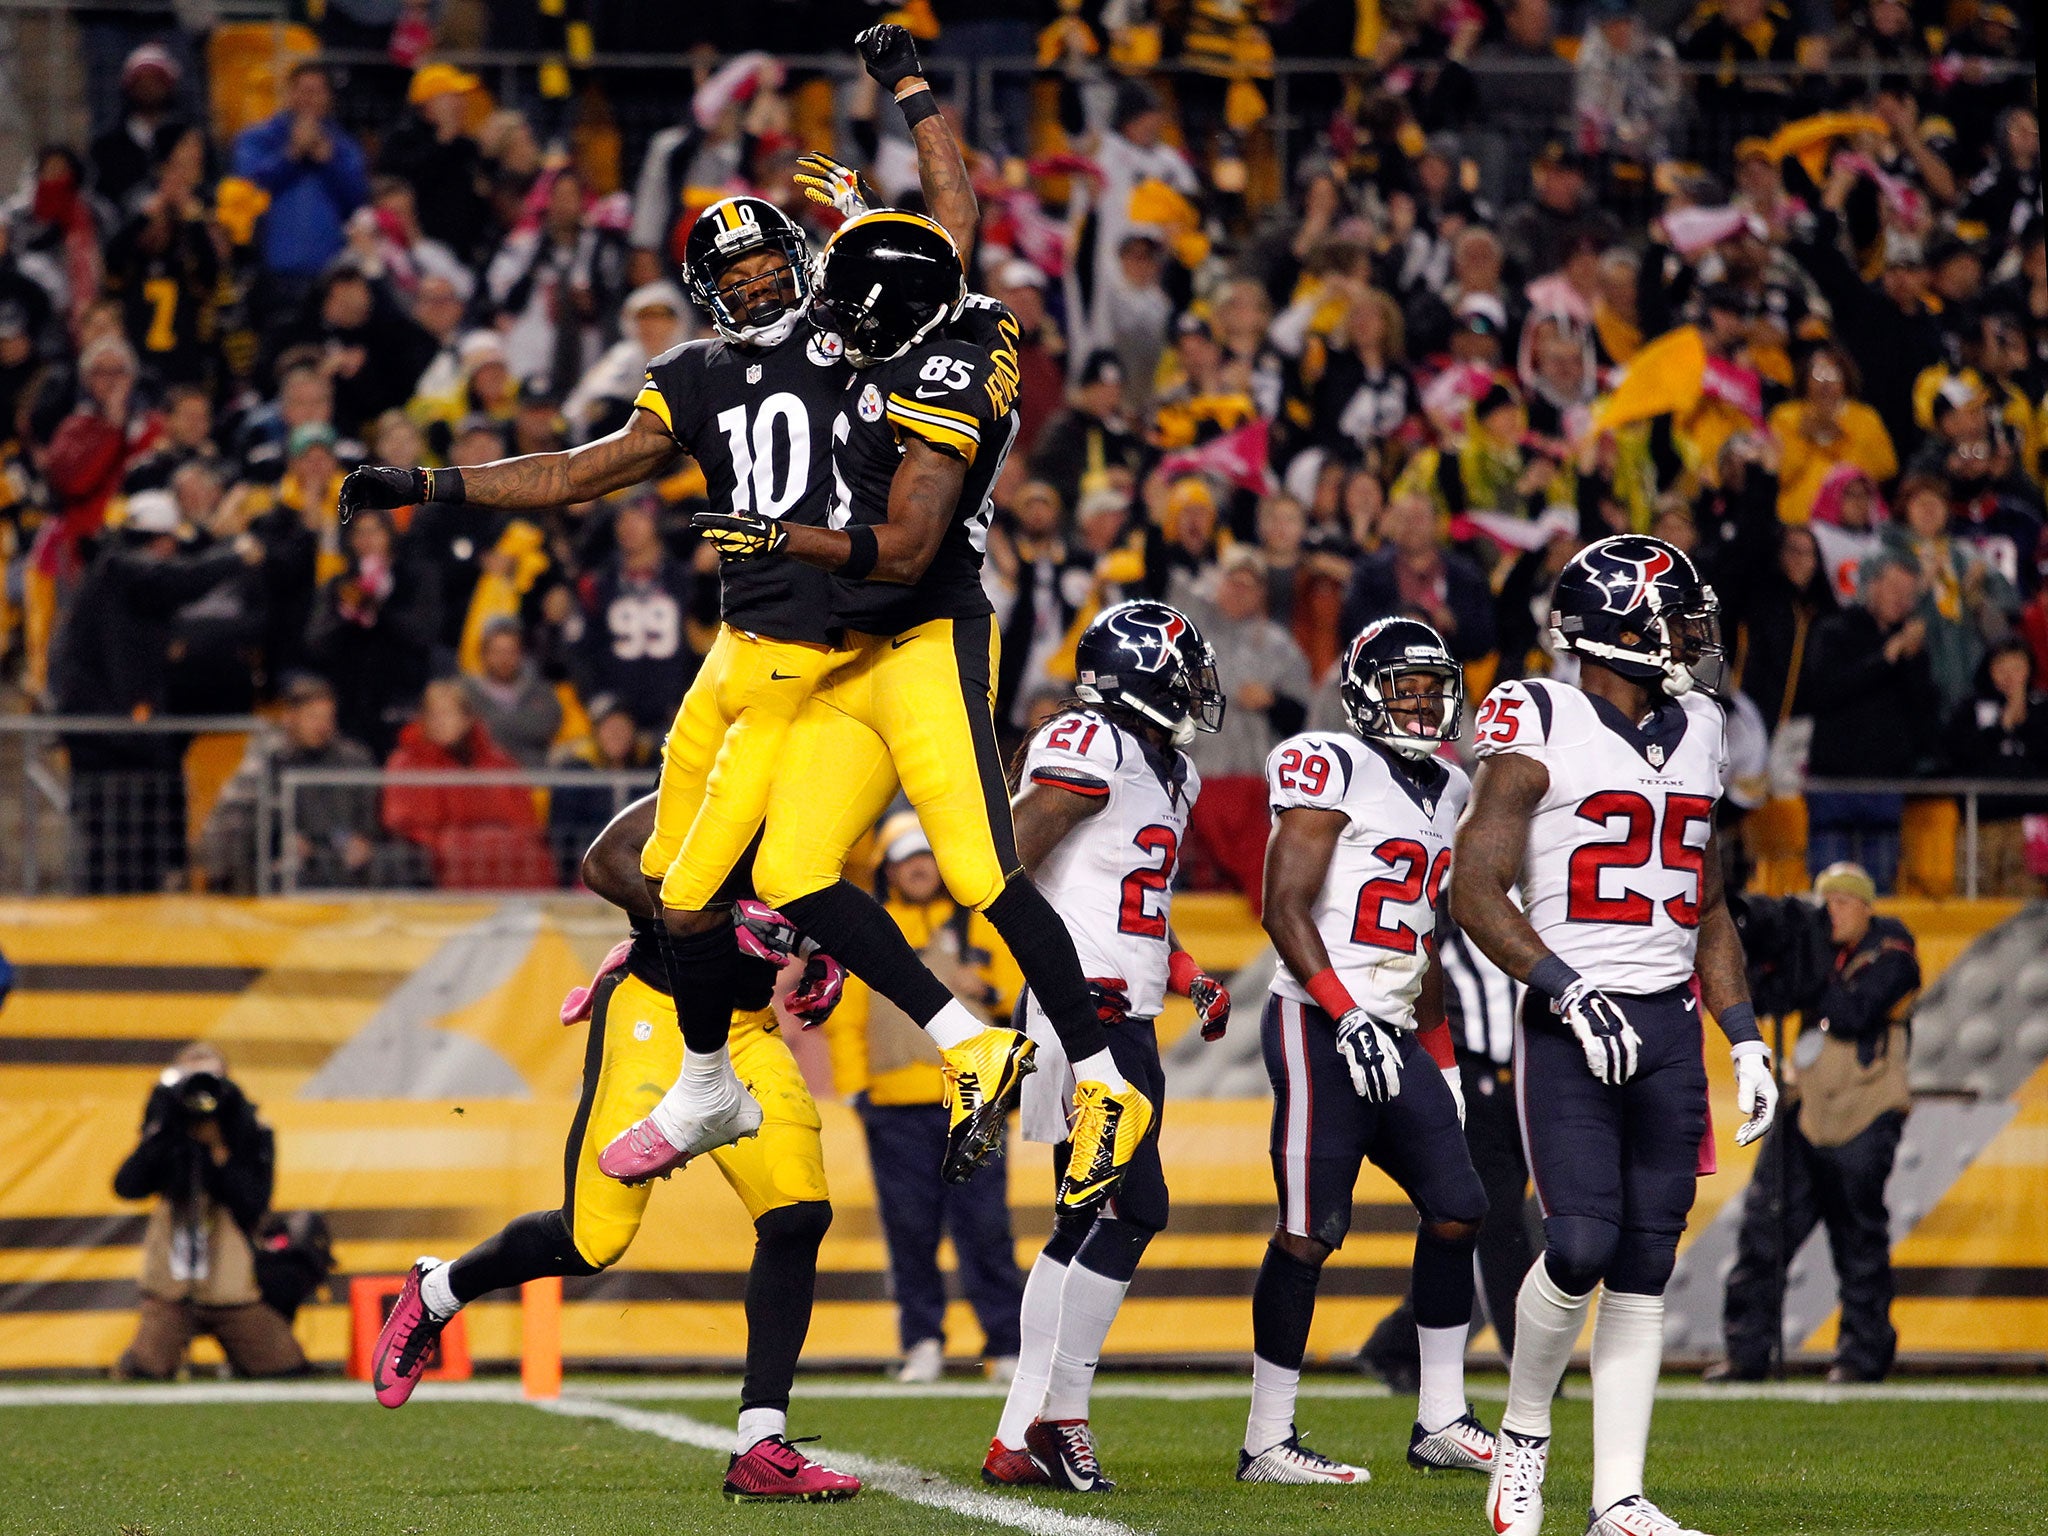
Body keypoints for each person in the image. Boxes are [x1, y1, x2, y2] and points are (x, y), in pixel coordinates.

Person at [622, 28, 1151, 1216]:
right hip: (848, 647)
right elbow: (949, 216)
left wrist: (778, 536)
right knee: (802, 867)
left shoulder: (943, 367)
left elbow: (905, 542)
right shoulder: (920, 299)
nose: (833, 330)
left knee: (976, 866)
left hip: (925, 625)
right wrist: (908, 98)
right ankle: (973, 1042)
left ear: (899, 318)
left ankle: (1108, 1077)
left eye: (856, 315)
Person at [368, 795, 861, 1502]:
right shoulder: (718, 779)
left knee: (797, 1214)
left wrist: (819, 948)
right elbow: (605, 863)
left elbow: (806, 891)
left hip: (746, 1029)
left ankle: (760, 1442)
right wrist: (707, 917)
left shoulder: (826, 787)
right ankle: (439, 1289)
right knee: (591, 1242)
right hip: (655, 1020)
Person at [1454, 535, 1777, 1536]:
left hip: (1668, 1025)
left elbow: (1707, 902)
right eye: (1674, 618)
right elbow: (1472, 884)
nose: (1692, 637)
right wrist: (1564, 984)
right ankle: (1521, 1433)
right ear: (1617, 630)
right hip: (1570, 1022)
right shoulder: (1535, 714)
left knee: (1645, 1262)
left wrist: (1743, 1036)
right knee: (1580, 1241)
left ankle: (1617, 1497)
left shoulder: (1701, 726)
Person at [1237, 618, 1496, 1486]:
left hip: (1393, 1021)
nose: (1422, 704)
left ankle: (1441, 1419)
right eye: (1404, 687)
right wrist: (1346, 1014)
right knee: (1311, 1231)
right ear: (1361, 693)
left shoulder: (1453, 790)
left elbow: (1422, 938)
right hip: (1318, 1020)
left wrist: (1445, 1059)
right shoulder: (1329, 762)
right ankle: (1267, 1440)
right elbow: (1283, 908)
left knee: (1460, 1206)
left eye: (1432, 688)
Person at [984, 601, 1233, 1492]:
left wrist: (1188, 969)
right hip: (1081, 1009)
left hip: (1121, 1008)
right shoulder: (1091, 741)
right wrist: (1056, 982)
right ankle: (1060, 1420)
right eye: (1183, 670)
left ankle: (1020, 1432)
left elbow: (1134, 902)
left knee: (1087, 1217)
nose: (1198, 688)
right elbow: (1003, 861)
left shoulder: (1170, 769)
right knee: (1136, 1207)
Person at [825, 814, 1026, 1388]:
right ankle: (922, 1342)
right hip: (894, 1104)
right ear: (888, 866)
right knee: (909, 1230)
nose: (918, 867)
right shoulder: (868, 926)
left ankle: (1005, 1345)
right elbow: (847, 1017)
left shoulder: (981, 925)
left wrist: (985, 989)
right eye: (906, 857)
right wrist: (856, 1086)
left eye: (926, 855)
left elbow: (1022, 992)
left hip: (974, 1101)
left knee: (986, 1227)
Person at [1713, 863, 1919, 1384]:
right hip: (1805, 1109)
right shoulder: (1814, 952)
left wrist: (1808, 968)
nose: (1831, 914)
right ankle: (1746, 1353)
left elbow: (1856, 1011)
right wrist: (1767, 961)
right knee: (1764, 1230)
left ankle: (1861, 1357)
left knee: (1858, 1240)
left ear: (1866, 906)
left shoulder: (1892, 948)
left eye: (1843, 903)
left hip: (1866, 1110)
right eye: (1825, 903)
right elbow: (1764, 1000)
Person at [112, 1044, 306, 1380]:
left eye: (211, 1079)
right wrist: (163, 1128)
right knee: (146, 1371)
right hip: (171, 1286)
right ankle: (142, 1356)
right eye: (191, 1080)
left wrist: (218, 1150)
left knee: (284, 1367)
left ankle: (240, 1355)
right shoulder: (169, 1128)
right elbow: (128, 1186)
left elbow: (253, 1202)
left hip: (231, 1285)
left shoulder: (249, 1129)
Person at [201, 673, 381, 893]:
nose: (322, 726)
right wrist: (278, 845)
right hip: (283, 866)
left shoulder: (355, 760)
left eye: (327, 718)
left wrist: (364, 841)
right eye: (313, 717)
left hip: (344, 863)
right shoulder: (267, 760)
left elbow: (372, 819)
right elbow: (235, 820)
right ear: (290, 718)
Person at [229, 63, 368, 303]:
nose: (308, 98)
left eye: (316, 91)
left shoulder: (344, 148)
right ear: (288, 94)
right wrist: (292, 155)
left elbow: (358, 202)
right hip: (269, 271)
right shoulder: (257, 138)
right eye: (302, 90)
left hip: (329, 274)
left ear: (329, 98)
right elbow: (245, 188)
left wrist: (329, 162)